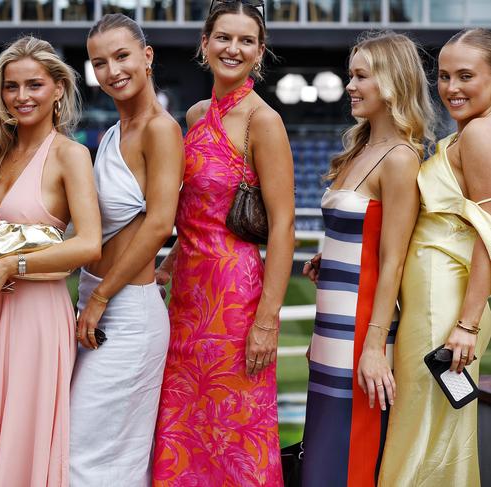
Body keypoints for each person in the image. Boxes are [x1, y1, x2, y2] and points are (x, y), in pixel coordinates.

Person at [0, 36, 101, 486]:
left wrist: (14, 265)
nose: (22, 96)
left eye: (34, 85)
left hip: (36, 319)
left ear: (58, 89)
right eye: (11, 87)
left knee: (21, 441)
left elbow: (89, 243)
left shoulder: (72, 155)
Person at [152, 1, 295, 484]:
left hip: (235, 298)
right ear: (204, 43)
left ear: (260, 52)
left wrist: (267, 321)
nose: (233, 48)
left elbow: (283, 227)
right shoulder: (195, 114)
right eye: (224, 37)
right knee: (184, 423)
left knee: (235, 429)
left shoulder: (264, 122)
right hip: (187, 294)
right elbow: (195, 215)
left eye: (246, 40)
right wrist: (168, 268)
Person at [300, 32, 434, 486]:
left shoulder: (400, 158)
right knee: (321, 456)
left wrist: (375, 349)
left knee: (349, 461)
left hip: (362, 333)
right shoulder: (358, 150)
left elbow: (394, 259)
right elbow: (362, 238)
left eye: (361, 76)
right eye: (350, 74)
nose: (350, 85)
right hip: (330, 327)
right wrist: (329, 261)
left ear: (393, 82)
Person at [70, 14, 184, 486]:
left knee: (88, 457)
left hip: (124, 316)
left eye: (122, 56)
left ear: (147, 56)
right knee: (88, 454)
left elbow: (159, 224)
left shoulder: (160, 128)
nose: (113, 70)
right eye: (100, 62)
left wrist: (100, 299)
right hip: (96, 300)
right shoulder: (115, 132)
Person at [379, 28, 491, 487]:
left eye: (466, 75)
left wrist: (466, 324)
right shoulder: (468, 134)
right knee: (432, 431)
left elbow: (490, 236)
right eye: (444, 76)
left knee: (421, 430)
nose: (451, 87)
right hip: (435, 302)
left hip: (442, 309)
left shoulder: (481, 134)